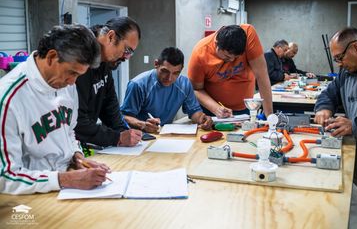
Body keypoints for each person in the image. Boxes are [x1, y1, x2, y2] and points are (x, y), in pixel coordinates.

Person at [0, 24, 110, 195]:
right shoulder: (8, 98)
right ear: (51, 56)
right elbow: (5, 176)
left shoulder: (66, 84)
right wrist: (64, 179)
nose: (73, 82)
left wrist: (77, 157)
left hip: (67, 186)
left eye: (78, 75)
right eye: (72, 73)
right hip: (31, 197)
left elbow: (69, 132)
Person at [314, 27, 357, 226]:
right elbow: (329, 94)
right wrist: (323, 109)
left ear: (355, 48)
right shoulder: (346, 74)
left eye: (340, 58)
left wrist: (354, 124)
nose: (339, 64)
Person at [75, 17, 142, 148]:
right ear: (111, 37)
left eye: (130, 53)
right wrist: (117, 138)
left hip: (78, 146)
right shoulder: (80, 61)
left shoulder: (105, 61)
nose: (126, 57)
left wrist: (125, 133)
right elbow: (78, 122)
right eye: (126, 50)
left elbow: (109, 105)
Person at [188, 24, 273, 118]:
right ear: (216, 44)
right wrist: (216, 108)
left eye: (236, 57)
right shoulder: (200, 53)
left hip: (244, 108)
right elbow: (196, 89)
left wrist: (269, 116)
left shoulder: (248, 33)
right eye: (227, 56)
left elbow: (261, 75)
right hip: (213, 111)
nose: (232, 60)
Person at [121, 47, 213, 133]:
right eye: (165, 71)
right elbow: (124, 116)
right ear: (156, 64)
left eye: (176, 73)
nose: (169, 78)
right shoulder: (138, 85)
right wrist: (142, 125)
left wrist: (203, 118)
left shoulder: (184, 84)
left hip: (165, 134)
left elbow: (194, 111)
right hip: (140, 136)